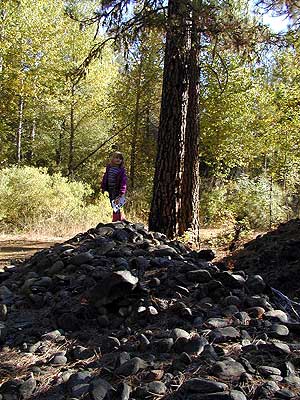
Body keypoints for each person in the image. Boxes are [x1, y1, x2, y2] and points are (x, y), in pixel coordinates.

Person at [101, 151, 127, 222]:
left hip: (117, 190)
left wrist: (122, 192)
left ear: (122, 161)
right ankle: (119, 218)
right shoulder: (109, 168)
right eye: (116, 158)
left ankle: (116, 220)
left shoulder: (121, 170)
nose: (118, 160)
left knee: (116, 205)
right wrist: (103, 187)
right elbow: (105, 177)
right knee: (113, 204)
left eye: (120, 158)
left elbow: (123, 182)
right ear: (112, 159)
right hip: (110, 189)